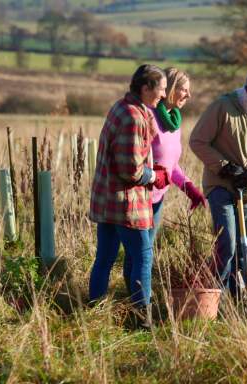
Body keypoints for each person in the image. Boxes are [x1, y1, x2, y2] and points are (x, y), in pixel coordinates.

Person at [88, 64, 168, 329]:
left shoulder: (123, 106)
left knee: (106, 256)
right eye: (161, 89)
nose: (164, 95)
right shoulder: (132, 117)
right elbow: (130, 170)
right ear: (145, 88)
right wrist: (153, 176)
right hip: (125, 203)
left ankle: (94, 309)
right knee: (143, 255)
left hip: (108, 199)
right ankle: (141, 318)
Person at [189, 63, 247, 303]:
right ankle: (215, 297)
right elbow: (197, 141)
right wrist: (224, 167)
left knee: (243, 247)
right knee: (226, 244)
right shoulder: (222, 107)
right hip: (220, 186)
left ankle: (239, 298)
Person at [122, 67, 206, 291]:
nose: (188, 95)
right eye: (183, 90)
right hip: (140, 196)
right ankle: (136, 304)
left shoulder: (173, 122)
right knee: (140, 253)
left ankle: (134, 298)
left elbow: (171, 165)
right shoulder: (148, 117)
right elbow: (137, 160)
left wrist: (190, 189)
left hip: (158, 198)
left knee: (143, 252)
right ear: (169, 90)